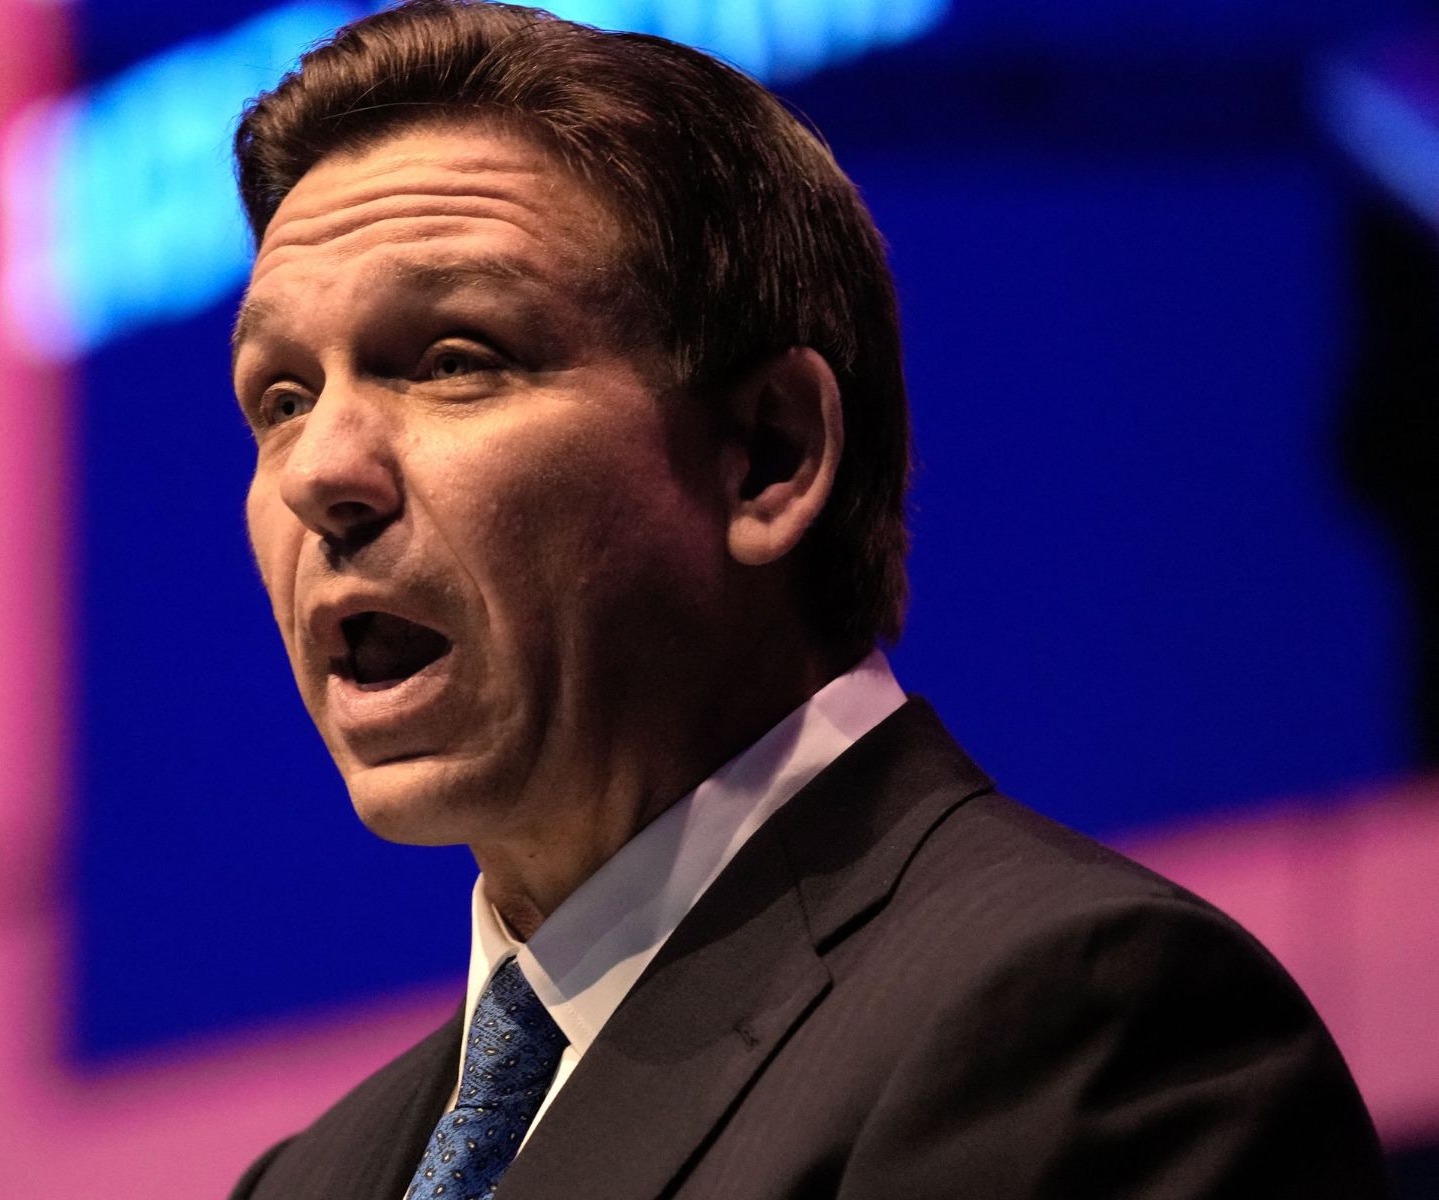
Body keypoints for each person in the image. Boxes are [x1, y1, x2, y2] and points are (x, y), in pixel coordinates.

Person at [223, 3, 1388, 1196]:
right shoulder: (311, 1180)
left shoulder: (1087, 1025)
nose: (319, 472)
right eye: (280, 397)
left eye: (453, 360)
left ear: (767, 457)